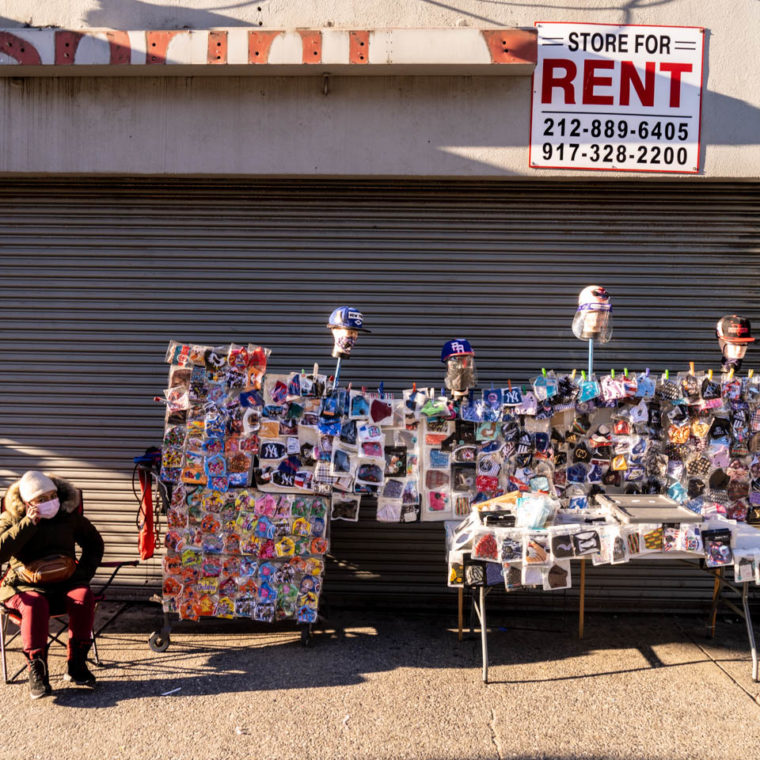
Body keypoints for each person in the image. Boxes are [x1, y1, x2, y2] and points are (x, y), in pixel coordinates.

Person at [0, 471, 104, 699]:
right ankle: (37, 671)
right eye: (42, 499)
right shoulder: (11, 519)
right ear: (28, 502)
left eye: (53, 496)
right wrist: (28, 523)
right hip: (25, 585)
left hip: (66, 581)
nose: (50, 502)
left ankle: (77, 665)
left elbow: (95, 543)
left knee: (83, 597)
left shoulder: (68, 517)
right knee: (35, 604)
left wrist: (83, 573)